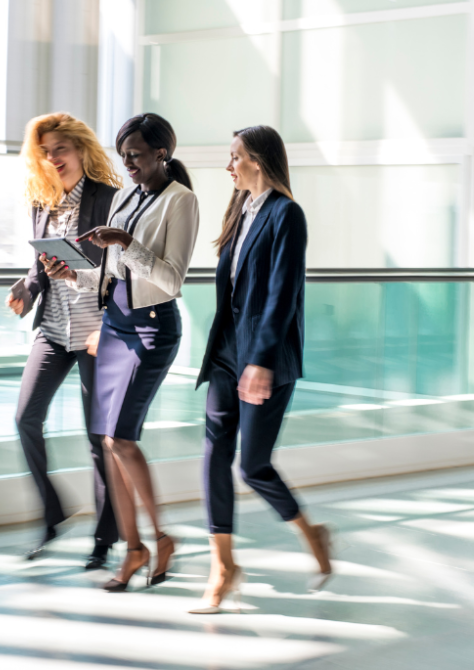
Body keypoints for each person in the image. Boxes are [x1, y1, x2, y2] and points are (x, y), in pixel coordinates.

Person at [42, 113, 199, 592]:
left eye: (135, 153)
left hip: (152, 330)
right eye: (123, 154)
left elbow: (171, 280)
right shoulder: (127, 195)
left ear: (161, 153)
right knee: (108, 442)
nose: (127, 162)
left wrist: (126, 242)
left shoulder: (181, 201)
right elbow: (113, 275)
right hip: (114, 323)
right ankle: (134, 548)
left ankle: (160, 538)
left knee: (122, 440)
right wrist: (75, 274)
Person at [190, 125, 331, 615]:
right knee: (212, 456)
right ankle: (223, 567)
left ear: (260, 160)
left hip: (263, 357)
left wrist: (262, 360)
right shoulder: (239, 212)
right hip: (227, 352)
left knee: (252, 465)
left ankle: (310, 531)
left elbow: (281, 295)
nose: (229, 165)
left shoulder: (286, 214)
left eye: (236, 156)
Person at [6, 112, 122, 569]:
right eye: (46, 151)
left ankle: (104, 539)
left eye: (61, 149)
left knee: (100, 439)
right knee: (25, 418)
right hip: (54, 328)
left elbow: (122, 269)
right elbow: (41, 267)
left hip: (98, 329)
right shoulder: (42, 202)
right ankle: (53, 515)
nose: (53, 158)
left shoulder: (109, 199)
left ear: (80, 150)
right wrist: (26, 287)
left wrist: (77, 271)